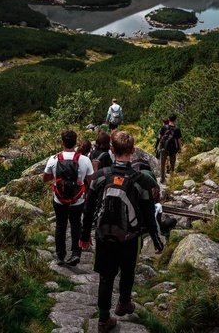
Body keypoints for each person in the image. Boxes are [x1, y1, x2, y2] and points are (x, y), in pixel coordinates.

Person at [79, 131, 163, 332]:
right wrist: (157, 242)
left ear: (112, 150)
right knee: (127, 271)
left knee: (106, 277)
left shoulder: (101, 176)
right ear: (133, 151)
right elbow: (149, 216)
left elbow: (88, 208)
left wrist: (83, 236)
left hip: (103, 236)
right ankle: (124, 302)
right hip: (130, 238)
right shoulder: (140, 180)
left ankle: (103, 319)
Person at [43, 130, 94, 266]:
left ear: (62, 143)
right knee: (76, 224)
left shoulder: (54, 159)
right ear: (76, 143)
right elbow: (90, 180)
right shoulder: (84, 160)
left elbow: (45, 178)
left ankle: (60, 255)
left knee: (60, 225)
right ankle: (76, 253)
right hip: (78, 200)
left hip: (59, 199)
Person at [159, 114, 182, 183]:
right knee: (172, 163)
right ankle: (172, 176)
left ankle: (162, 177)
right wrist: (180, 149)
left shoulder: (163, 127)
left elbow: (160, 137)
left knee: (162, 163)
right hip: (173, 149)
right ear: (175, 120)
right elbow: (179, 140)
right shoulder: (177, 129)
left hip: (163, 148)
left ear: (168, 119)